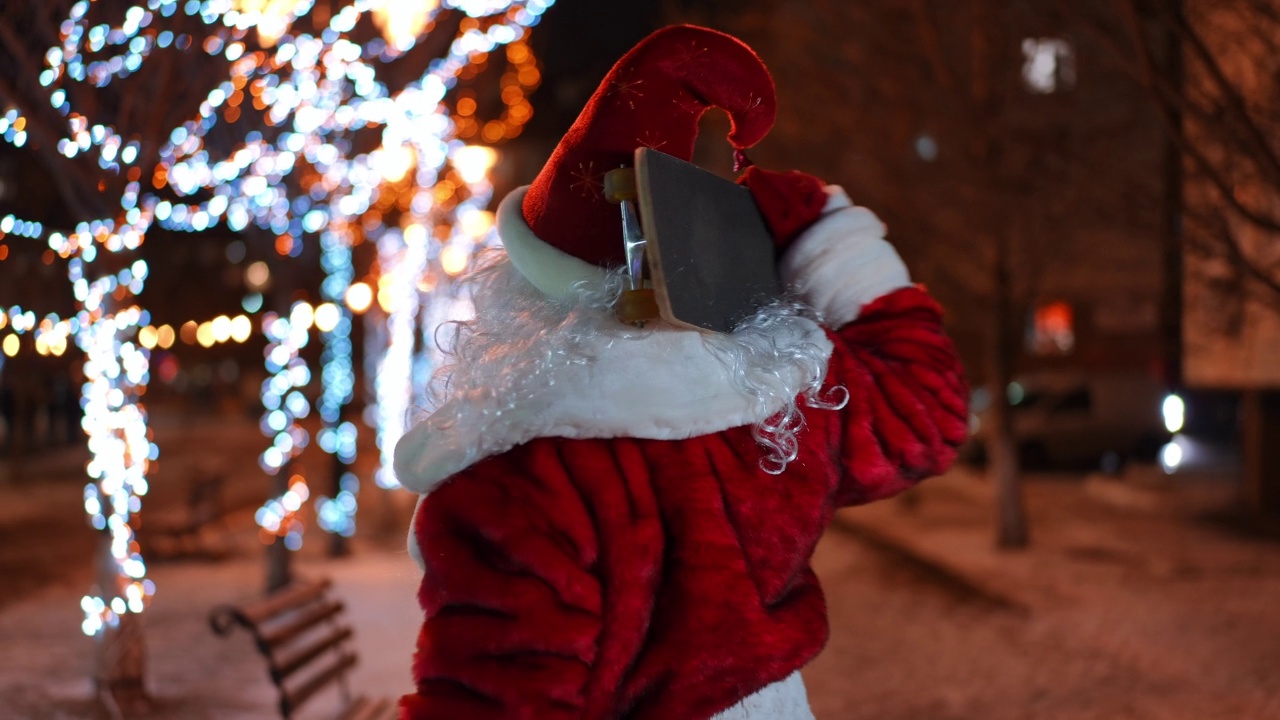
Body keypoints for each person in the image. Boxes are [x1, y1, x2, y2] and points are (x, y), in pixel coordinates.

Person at [394, 24, 968, 720]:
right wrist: (820, 229)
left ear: (523, 301)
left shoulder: (515, 492)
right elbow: (925, 411)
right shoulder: (777, 417)